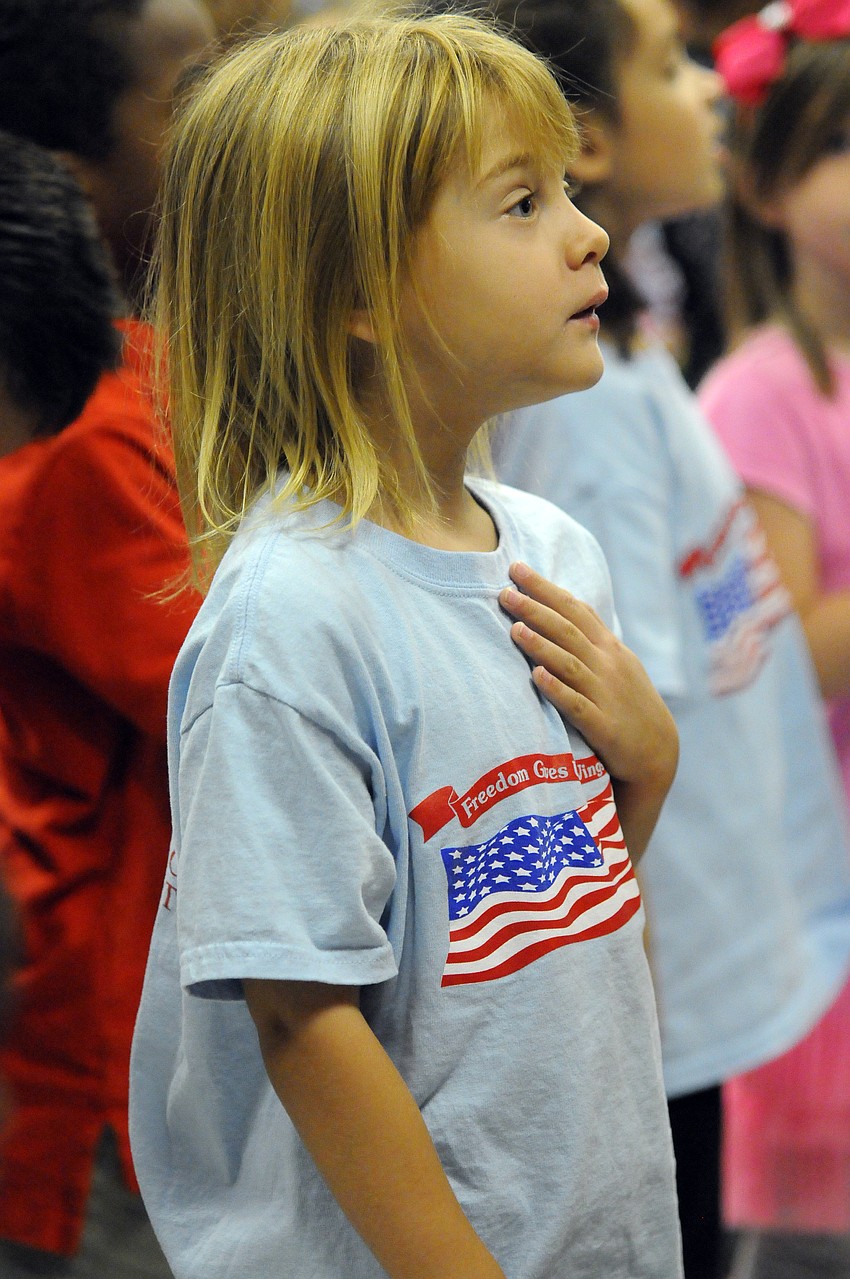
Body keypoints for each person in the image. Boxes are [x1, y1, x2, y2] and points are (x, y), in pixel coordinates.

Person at [128, 14, 684, 1278]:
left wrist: (643, 774)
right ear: (357, 290)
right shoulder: (294, 617)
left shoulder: (547, 550)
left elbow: (539, 933)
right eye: (522, 202)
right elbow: (303, 1012)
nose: (585, 232)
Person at [485, 1, 850, 1276]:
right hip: (658, 961)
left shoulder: (628, 345)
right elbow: (611, 721)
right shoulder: (580, 417)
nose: (705, 88)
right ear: (582, 139)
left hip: (705, 937)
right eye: (665, 65)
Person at [0, 0, 215, 1273]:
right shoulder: (74, 430)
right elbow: (237, 683)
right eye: (188, 100)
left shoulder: (139, 355)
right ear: (79, 171)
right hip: (95, 1060)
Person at [699, 7, 850, 1275]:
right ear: (757, 185)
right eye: (840, 143)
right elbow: (783, 653)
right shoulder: (755, 394)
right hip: (822, 890)